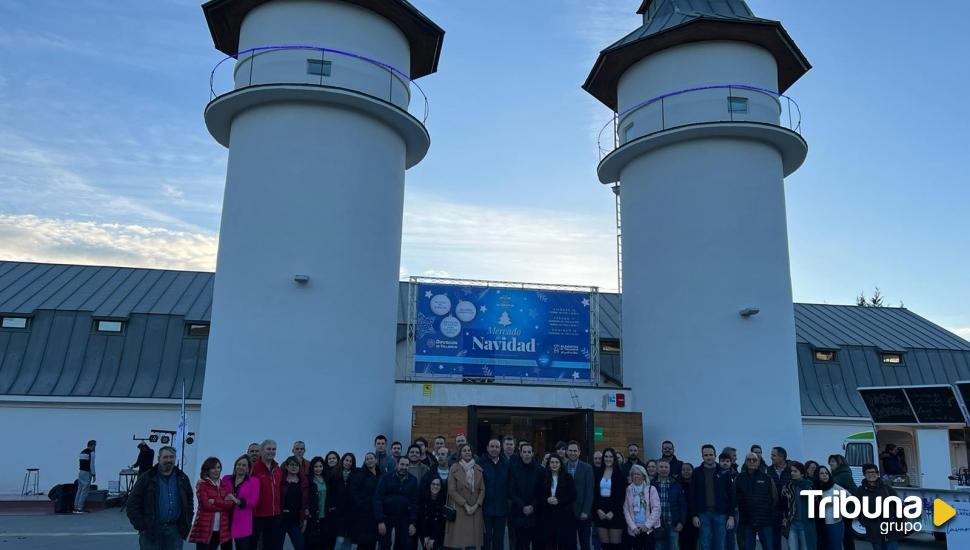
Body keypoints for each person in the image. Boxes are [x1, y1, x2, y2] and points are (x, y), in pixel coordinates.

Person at [127, 446, 194, 550]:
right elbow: (132, 504)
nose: (169, 460)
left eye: (171, 457)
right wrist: (142, 526)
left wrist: (187, 520)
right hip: (151, 530)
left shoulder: (182, 478)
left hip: (175, 531)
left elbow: (189, 501)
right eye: (165, 457)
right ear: (159, 459)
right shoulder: (147, 478)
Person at [689, 446, 736, 550]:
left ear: (715, 455)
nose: (709, 457)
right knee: (705, 545)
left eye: (711, 455)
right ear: (702, 456)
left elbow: (731, 495)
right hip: (703, 514)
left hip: (720, 514)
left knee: (720, 545)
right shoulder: (697, 472)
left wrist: (731, 516)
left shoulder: (724, 472)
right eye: (706, 455)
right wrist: (694, 515)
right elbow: (692, 495)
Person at [445, 443, 484, 550]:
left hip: (474, 510)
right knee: (457, 542)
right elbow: (451, 490)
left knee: (471, 544)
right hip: (459, 508)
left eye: (469, 450)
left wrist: (476, 505)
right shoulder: (454, 468)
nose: (467, 452)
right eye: (464, 450)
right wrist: (466, 505)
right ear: (460, 454)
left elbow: (482, 489)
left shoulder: (478, 469)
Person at [189, 457, 233, 549]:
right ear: (207, 470)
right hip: (204, 529)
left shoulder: (224, 485)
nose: (216, 470)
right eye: (213, 468)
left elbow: (230, 505)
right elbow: (206, 506)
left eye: (218, 467)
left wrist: (215, 501)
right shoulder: (202, 484)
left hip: (220, 530)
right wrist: (223, 505)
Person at [735, 453, 777, 550]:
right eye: (749, 460)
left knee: (769, 547)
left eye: (754, 460)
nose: (752, 462)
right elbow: (734, 497)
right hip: (746, 521)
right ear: (745, 462)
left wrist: (768, 512)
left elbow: (774, 499)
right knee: (747, 547)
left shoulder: (767, 478)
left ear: (758, 462)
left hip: (765, 521)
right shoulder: (739, 478)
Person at [375, 456, 418, 550]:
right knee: (385, 545)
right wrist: (380, 521)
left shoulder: (413, 480)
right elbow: (378, 499)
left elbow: (414, 502)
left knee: (404, 545)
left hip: (404, 517)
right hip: (387, 516)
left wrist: (412, 522)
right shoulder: (385, 478)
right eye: (402, 464)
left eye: (407, 465)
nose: (404, 467)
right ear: (397, 464)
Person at [858, 464, 904, 550]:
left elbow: (898, 506)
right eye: (868, 472)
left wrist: (897, 522)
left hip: (890, 530)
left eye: (873, 472)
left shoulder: (887, 488)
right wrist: (866, 523)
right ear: (864, 475)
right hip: (874, 531)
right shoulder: (860, 491)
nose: (871, 474)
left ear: (878, 474)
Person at [536, 455, 577, 550]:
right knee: (550, 544)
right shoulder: (543, 477)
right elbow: (538, 495)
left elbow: (573, 496)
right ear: (548, 464)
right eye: (552, 462)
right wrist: (546, 500)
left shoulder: (567, 477)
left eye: (557, 462)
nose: (554, 464)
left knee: (563, 544)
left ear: (560, 464)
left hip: (564, 517)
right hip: (547, 517)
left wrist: (559, 500)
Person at [222, 455, 260, 550]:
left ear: (248, 469)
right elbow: (221, 494)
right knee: (225, 547)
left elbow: (254, 501)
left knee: (242, 547)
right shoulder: (226, 479)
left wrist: (237, 501)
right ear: (235, 466)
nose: (240, 467)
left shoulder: (254, 481)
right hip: (225, 519)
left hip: (242, 521)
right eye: (238, 464)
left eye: (243, 465)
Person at [510, 442, 543, 550]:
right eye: (524, 452)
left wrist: (533, 506)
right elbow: (511, 491)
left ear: (533, 453)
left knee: (537, 545)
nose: (527, 454)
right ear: (520, 453)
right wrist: (522, 506)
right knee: (521, 545)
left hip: (536, 514)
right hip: (519, 513)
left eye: (529, 452)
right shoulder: (514, 469)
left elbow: (542, 492)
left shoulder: (540, 470)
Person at [252, 439, 284, 550]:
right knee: (254, 546)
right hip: (257, 515)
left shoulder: (278, 470)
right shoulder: (254, 468)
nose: (271, 451)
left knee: (271, 546)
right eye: (268, 449)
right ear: (261, 451)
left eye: (274, 449)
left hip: (275, 515)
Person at [479, 438, 510, 550]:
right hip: (485, 508)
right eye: (492, 446)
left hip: (501, 509)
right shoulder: (480, 464)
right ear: (487, 448)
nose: (494, 449)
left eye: (497, 447)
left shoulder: (506, 464)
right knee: (486, 539)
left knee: (499, 540)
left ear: (500, 448)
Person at [593, 448, 627, 550]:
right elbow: (594, 494)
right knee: (605, 545)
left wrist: (613, 511)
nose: (608, 459)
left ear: (614, 459)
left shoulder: (620, 474)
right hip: (601, 512)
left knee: (615, 545)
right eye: (606, 456)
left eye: (611, 457)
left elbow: (622, 496)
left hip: (615, 513)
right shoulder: (598, 472)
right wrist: (598, 510)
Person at [623, 464, 660, 550]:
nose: (635, 476)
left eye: (638, 474)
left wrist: (647, 525)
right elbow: (626, 510)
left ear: (644, 476)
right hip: (634, 529)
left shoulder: (651, 489)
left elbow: (656, 509)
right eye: (634, 474)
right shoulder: (628, 490)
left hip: (648, 529)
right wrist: (633, 527)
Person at [350, 453, 382, 550]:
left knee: (373, 541)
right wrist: (361, 503)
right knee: (364, 542)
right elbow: (352, 491)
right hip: (364, 514)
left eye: (371, 458)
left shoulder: (380, 474)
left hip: (376, 512)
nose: (369, 460)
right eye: (367, 459)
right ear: (365, 461)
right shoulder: (360, 474)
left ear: (375, 460)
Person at [566, 440, 595, 550]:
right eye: (570, 450)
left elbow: (589, 491)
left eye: (575, 450)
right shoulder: (562, 467)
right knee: (569, 543)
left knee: (585, 543)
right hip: (567, 513)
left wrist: (585, 511)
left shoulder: (587, 468)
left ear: (579, 452)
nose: (572, 453)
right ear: (567, 452)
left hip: (583, 513)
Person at [652, 459, 686, 550]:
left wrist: (681, 522)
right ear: (657, 469)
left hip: (673, 523)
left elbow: (683, 505)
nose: (664, 469)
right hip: (657, 524)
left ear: (669, 469)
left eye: (666, 467)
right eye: (661, 467)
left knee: (674, 547)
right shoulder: (651, 485)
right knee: (659, 547)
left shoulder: (676, 485)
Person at [781, 462, 815, 550]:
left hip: (805, 524)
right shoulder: (788, 486)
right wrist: (784, 518)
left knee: (805, 547)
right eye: (791, 471)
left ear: (802, 473)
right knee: (792, 548)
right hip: (792, 524)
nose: (792, 473)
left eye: (795, 471)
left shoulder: (809, 486)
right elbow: (783, 504)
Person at [827, 454, 857, 550]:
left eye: (833, 461)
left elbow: (830, 484)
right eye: (830, 461)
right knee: (845, 533)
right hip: (843, 507)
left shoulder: (843, 474)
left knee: (846, 534)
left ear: (840, 462)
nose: (830, 463)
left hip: (847, 507)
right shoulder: (836, 473)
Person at [281, 456, 309, 550]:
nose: (294, 467)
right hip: (281, 520)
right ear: (286, 466)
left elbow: (306, 503)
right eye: (292, 465)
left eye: (296, 465)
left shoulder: (303, 482)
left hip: (296, 521)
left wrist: (304, 519)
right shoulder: (281, 481)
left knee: (300, 546)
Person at [331, 453, 358, 550]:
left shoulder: (356, 474)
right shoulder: (334, 473)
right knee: (340, 539)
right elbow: (331, 492)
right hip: (338, 512)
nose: (348, 463)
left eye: (351, 461)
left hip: (352, 512)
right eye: (347, 460)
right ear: (342, 461)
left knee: (349, 540)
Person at [815, 466, 845, 550]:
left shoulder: (834, 486)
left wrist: (838, 503)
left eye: (826, 473)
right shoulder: (814, 487)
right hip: (819, 524)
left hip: (834, 523)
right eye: (821, 473)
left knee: (835, 547)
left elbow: (849, 496)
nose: (825, 475)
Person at [766, 447, 790, 550]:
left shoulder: (791, 470)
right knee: (774, 539)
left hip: (789, 510)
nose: (771, 457)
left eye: (774, 455)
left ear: (782, 457)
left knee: (792, 538)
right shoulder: (768, 471)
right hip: (774, 510)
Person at [307, 456, 334, 550]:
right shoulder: (309, 480)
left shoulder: (327, 479)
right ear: (312, 468)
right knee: (313, 544)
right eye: (316, 467)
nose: (318, 469)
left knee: (325, 543)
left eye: (320, 466)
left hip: (325, 516)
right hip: (313, 517)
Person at [417, 477, 447, 550]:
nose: (435, 486)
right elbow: (422, 519)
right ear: (429, 485)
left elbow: (442, 523)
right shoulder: (423, 500)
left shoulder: (444, 502)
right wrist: (426, 536)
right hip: (425, 533)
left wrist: (433, 539)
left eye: (437, 485)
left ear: (441, 487)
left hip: (439, 535)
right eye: (433, 484)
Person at [679, 463, 699, 550]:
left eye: (688, 469)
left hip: (694, 517)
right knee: (682, 542)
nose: (686, 471)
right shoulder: (677, 485)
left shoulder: (697, 484)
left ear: (692, 471)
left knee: (693, 542)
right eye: (683, 470)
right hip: (682, 518)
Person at [74, 439, 97, 513]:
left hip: (81, 472)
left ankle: (76, 506)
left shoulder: (82, 452)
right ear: (92, 445)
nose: (95, 447)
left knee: (79, 489)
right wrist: (94, 474)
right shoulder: (91, 453)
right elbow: (92, 464)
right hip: (87, 473)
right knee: (85, 490)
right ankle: (80, 508)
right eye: (95, 445)